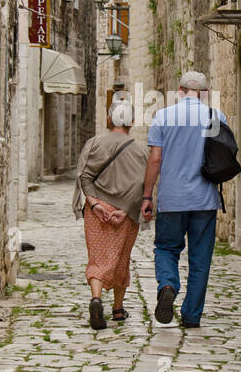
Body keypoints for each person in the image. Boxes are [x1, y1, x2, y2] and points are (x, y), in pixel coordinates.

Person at [141, 70, 226, 328]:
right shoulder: (215, 116)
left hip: (172, 199)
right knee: (200, 259)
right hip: (204, 200)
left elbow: (155, 159)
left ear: (179, 90)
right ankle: (191, 315)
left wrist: (147, 196)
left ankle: (168, 284)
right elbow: (220, 156)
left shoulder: (163, 117)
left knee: (166, 248)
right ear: (205, 93)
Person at [73, 98, 148, 330]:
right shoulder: (141, 150)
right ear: (132, 122)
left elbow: (84, 176)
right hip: (125, 215)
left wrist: (95, 205)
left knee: (97, 259)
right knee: (120, 259)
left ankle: (96, 299)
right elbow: (141, 186)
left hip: (97, 212)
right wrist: (125, 210)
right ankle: (117, 309)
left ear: (109, 119)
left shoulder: (94, 143)